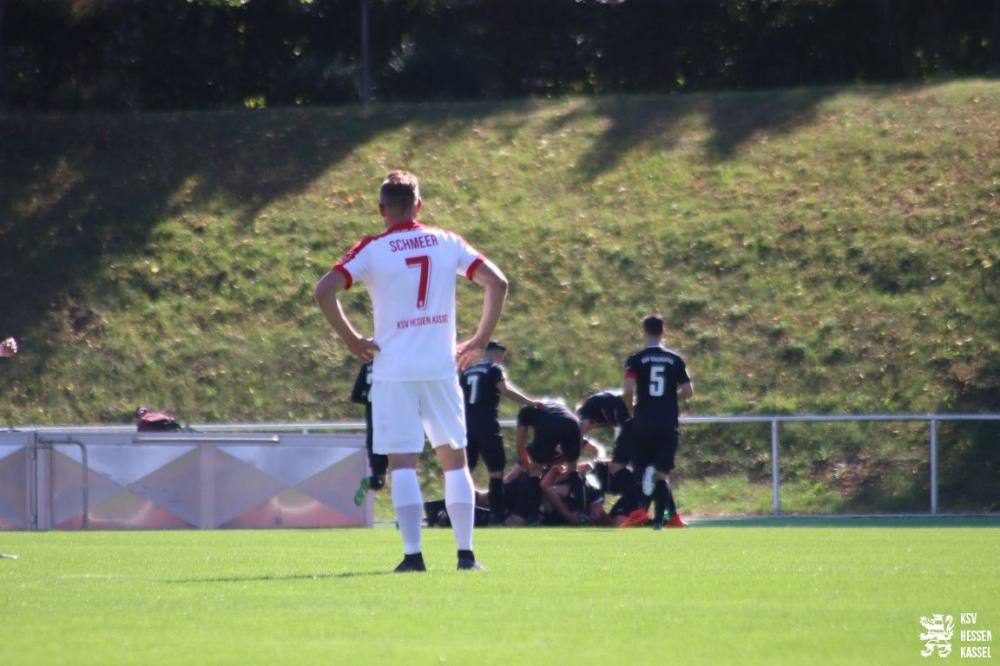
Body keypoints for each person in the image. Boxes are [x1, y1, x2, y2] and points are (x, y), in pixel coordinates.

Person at [315, 170, 508, 572]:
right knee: (454, 461)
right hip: (440, 365)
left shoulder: (372, 249)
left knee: (403, 463)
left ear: (381, 209)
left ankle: (413, 557)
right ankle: (466, 556)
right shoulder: (446, 240)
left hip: (394, 368)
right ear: (418, 205)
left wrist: (351, 338)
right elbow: (498, 283)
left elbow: (324, 289)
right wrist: (479, 340)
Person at [622, 314, 694, 529]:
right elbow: (688, 391)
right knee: (663, 474)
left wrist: (631, 408)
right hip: (667, 423)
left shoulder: (636, 359)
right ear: (664, 331)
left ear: (644, 331)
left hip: (643, 420)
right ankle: (659, 522)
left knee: (639, 467)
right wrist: (669, 398)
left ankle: (645, 480)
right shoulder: (675, 359)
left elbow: (627, 390)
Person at [460, 340, 541, 524]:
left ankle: (463, 513)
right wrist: (530, 402)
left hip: (466, 426)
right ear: (498, 354)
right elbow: (505, 390)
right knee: (496, 471)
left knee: (466, 471)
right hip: (487, 426)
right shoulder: (494, 369)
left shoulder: (468, 371)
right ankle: (496, 514)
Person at [507, 402, 586, 525]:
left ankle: (534, 519)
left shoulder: (524, 412)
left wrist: (528, 467)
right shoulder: (556, 407)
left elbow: (519, 447)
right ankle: (582, 514)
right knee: (572, 470)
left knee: (535, 472)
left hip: (549, 425)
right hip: (573, 423)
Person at [576, 389, 646, 526]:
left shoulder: (585, 412)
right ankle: (649, 512)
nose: (591, 428)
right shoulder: (605, 408)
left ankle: (638, 509)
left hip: (632, 428)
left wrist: (576, 460)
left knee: (615, 469)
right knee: (638, 471)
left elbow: (580, 435)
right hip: (641, 428)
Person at [350, 359, 389, 506]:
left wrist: (370, 400)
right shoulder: (396, 361)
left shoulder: (367, 366)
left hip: (375, 430)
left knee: (379, 479)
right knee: (404, 470)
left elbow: (355, 396)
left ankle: (370, 481)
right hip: (395, 422)